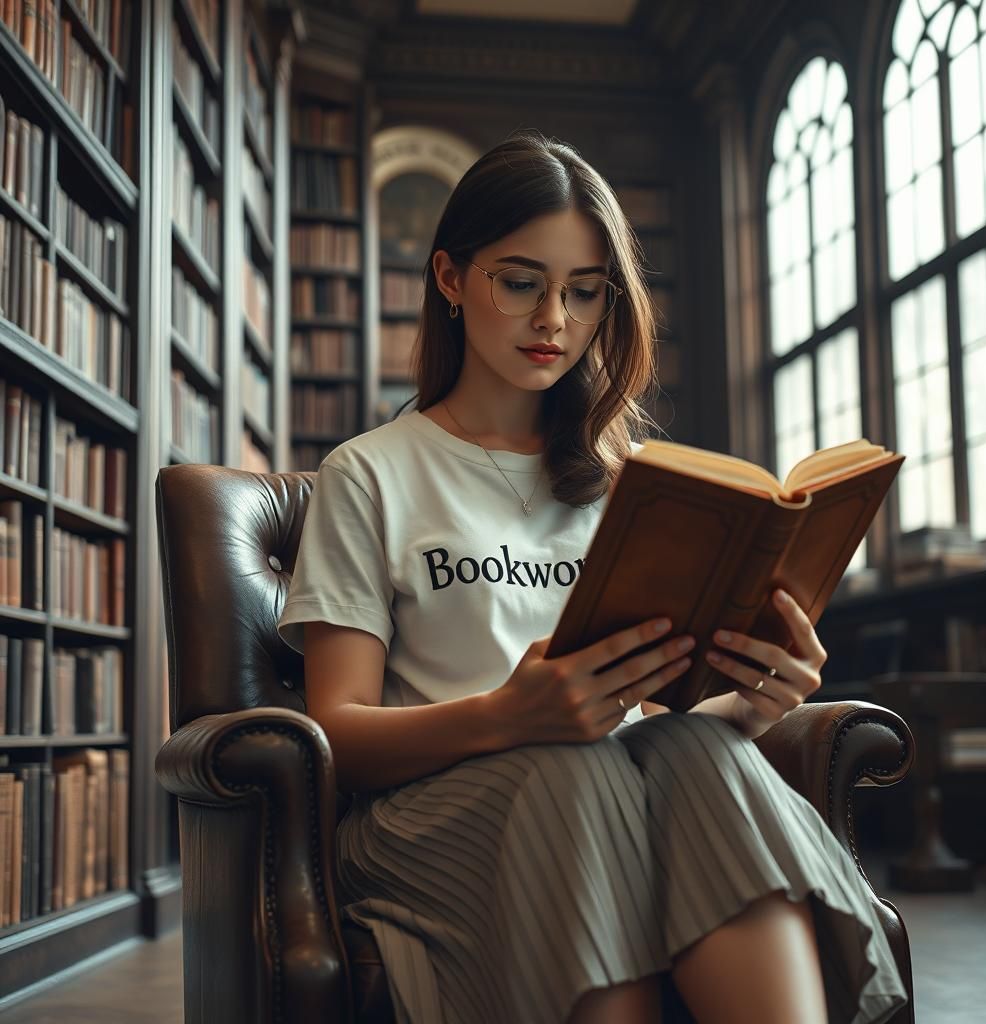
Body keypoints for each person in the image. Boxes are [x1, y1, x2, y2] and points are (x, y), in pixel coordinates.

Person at [277, 132, 907, 1024]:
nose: (555, 322)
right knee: (575, 773)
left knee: (698, 747)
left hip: (612, 786)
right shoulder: (370, 473)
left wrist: (756, 701)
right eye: (522, 282)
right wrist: (507, 716)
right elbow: (335, 730)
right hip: (431, 814)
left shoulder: (637, 487)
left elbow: (647, 722)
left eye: (583, 292)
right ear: (451, 279)